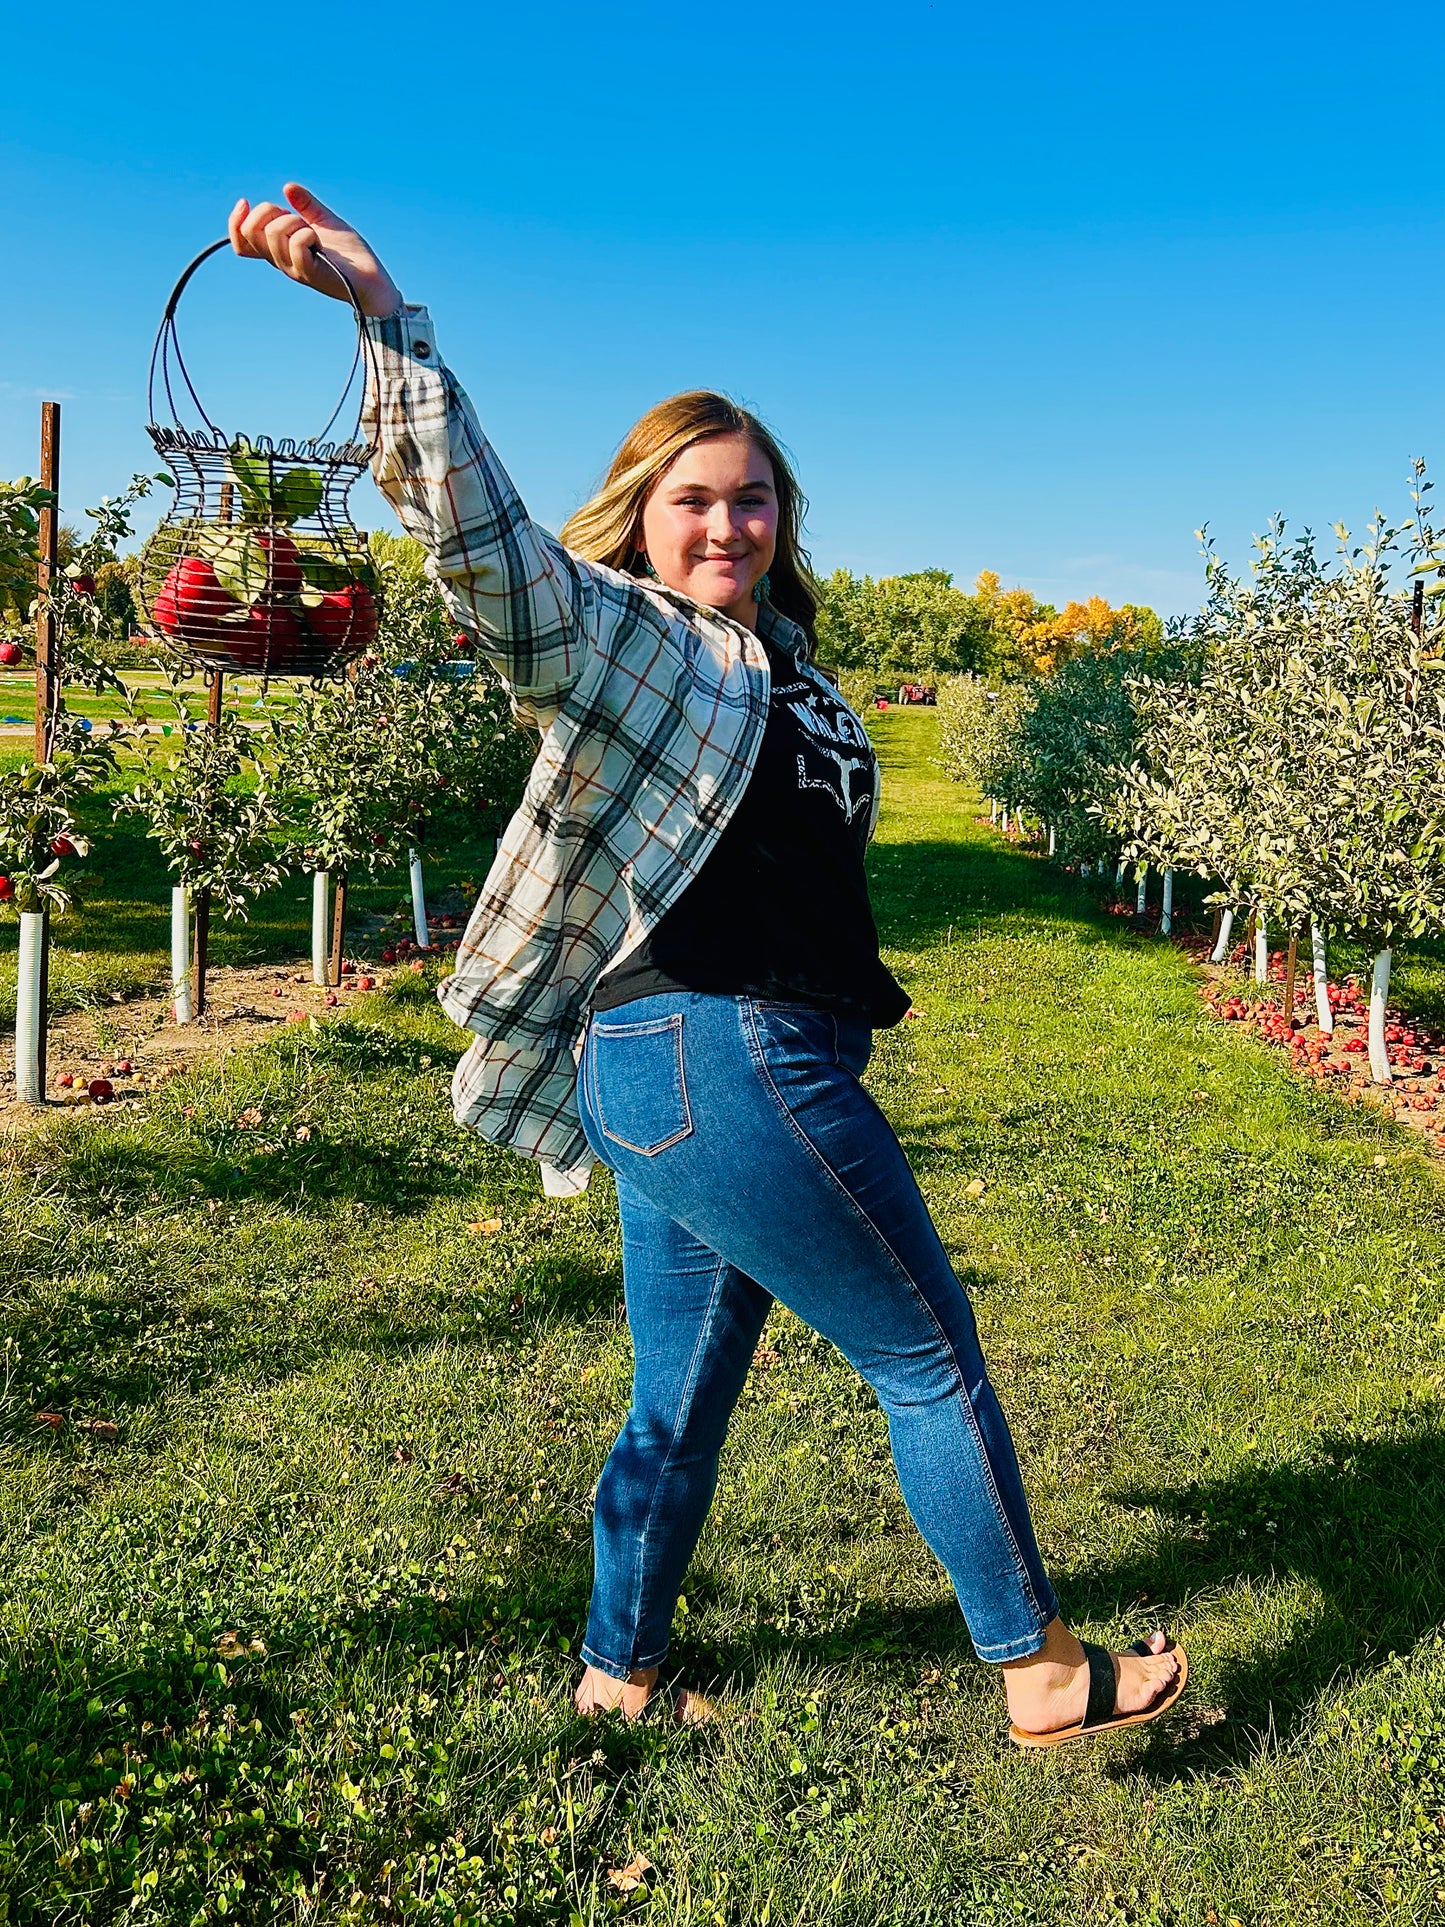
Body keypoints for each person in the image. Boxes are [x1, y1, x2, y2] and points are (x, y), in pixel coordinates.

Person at [229, 184, 1187, 1748]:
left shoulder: (784, 666)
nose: (725, 524)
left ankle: (619, 1671)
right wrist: (388, 326)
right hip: (718, 1054)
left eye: (750, 500)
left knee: (676, 1399)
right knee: (924, 1353)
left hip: (690, 1073)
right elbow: (483, 546)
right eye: (692, 499)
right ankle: (1038, 1669)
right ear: (641, 513)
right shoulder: (627, 639)